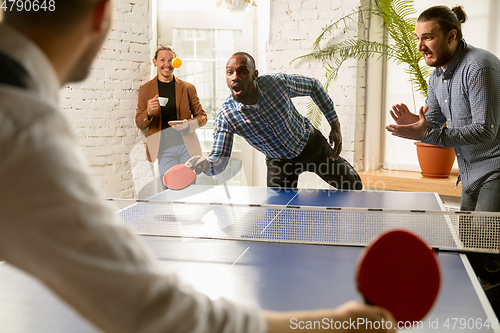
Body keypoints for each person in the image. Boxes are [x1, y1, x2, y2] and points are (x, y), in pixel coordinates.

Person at [0, 1, 396, 332]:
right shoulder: (23, 132)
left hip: (309, 144)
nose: (235, 77)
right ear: (103, 14)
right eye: (229, 71)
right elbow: (155, 313)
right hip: (277, 160)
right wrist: (328, 324)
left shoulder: (20, 122)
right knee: (280, 218)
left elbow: (314, 87)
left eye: (242, 70)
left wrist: (335, 125)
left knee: (354, 185)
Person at [385, 4, 500, 313]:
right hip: (471, 173)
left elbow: (485, 131)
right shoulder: (437, 76)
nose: (420, 46)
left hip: (496, 169)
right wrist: (416, 124)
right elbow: (433, 122)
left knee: (485, 254)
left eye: (428, 37)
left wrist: (426, 134)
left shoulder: (480, 66)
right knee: (469, 253)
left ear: (451, 36)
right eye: (418, 38)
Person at [135, 45, 207, 190]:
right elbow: (139, 123)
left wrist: (187, 124)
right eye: (162, 60)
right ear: (155, 62)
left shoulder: (188, 88)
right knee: (169, 190)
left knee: (189, 191)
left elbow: (202, 117)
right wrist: (148, 112)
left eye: (170, 60)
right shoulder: (146, 89)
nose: (167, 65)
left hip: (187, 148)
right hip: (164, 150)